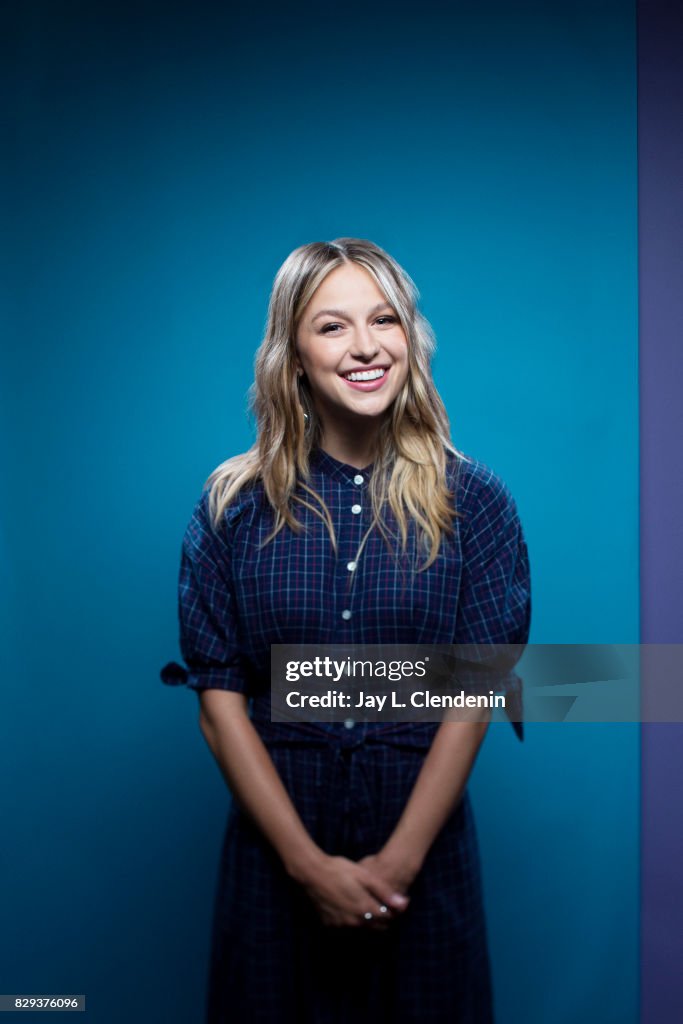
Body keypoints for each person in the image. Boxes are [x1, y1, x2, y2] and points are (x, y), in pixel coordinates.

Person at [161, 237, 531, 1023]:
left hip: (421, 852)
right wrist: (308, 867)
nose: (365, 346)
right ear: (292, 354)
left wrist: (396, 866)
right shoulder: (230, 508)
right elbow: (218, 700)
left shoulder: (478, 503)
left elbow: (476, 693)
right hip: (276, 853)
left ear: (409, 339)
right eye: (331, 327)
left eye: (383, 320)